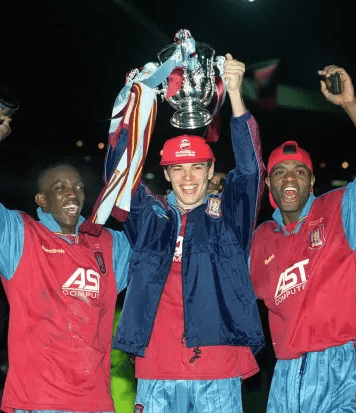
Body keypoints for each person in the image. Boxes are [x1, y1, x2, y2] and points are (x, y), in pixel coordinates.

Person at [107, 54, 265, 412]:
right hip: (156, 370)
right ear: (165, 174)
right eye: (178, 169)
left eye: (197, 168)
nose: (188, 178)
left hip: (217, 368)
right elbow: (118, 176)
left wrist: (236, 94)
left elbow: (251, 172)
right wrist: (131, 106)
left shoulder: (229, 217)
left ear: (211, 170)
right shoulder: (150, 218)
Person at [249, 65, 356, 412]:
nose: (290, 178)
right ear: (269, 186)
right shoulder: (259, 240)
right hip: (285, 371)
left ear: (311, 182)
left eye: (299, 171)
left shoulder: (339, 209)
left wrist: (351, 104)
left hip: (338, 363)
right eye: (280, 172)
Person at [0, 116, 131, 413]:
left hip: (96, 402)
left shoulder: (108, 243)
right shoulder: (21, 237)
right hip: (38, 402)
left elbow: (157, 247)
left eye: (78, 187)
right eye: (61, 187)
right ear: (42, 200)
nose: (72, 193)